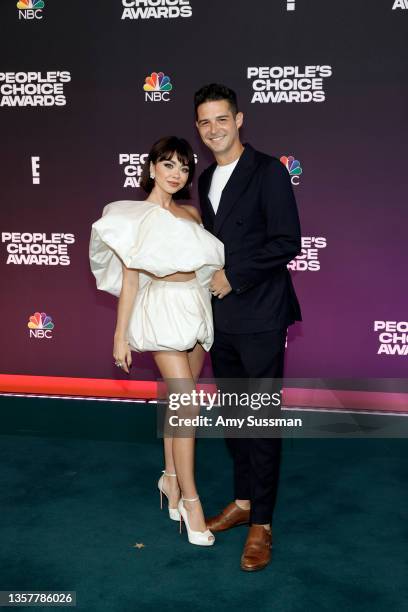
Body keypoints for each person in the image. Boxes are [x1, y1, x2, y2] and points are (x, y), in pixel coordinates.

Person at [89, 136, 224, 546]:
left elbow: (204, 267)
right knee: (188, 404)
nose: (176, 174)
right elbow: (131, 280)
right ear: (151, 168)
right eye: (168, 165)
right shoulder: (132, 217)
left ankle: (169, 479)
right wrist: (120, 335)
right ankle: (191, 502)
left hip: (196, 307)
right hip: (161, 308)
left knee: (177, 404)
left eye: (183, 168)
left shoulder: (191, 214)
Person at [194, 84, 302, 570]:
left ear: (240, 120)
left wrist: (234, 277)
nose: (213, 129)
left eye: (221, 119)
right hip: (223, 319)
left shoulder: (268, 172)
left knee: (259, 420)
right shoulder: (203, 178)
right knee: (236, 419)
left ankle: (263, 522)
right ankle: (242, 502)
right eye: (204, 122)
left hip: (259, 313)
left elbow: (287, 241)